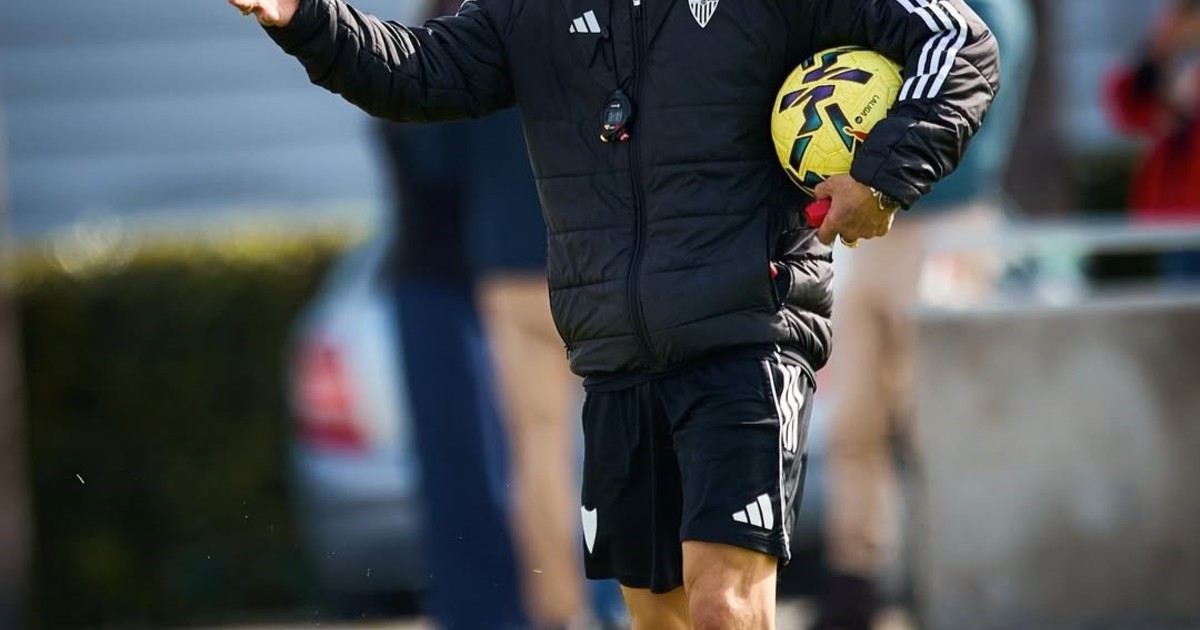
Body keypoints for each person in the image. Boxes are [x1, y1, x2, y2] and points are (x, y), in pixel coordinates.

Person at [229, 0, 1000, 626]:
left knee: (723, 601)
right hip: (616, 359)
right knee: (658, 614)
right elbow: (419, 72)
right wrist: (305, 16)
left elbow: (958, 42)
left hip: (747, 339)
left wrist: (883, 174)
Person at [810, 0, 1034, 627]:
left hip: (948, 222)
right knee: (857, 415)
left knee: (937, 419)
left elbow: (971, 87)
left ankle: (964, 579)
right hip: (881, 222)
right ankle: (855, 579)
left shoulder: (990, 12)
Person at [379, 115, 532, 629]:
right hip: (451, 283)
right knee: (469, 466)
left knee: (492, 464)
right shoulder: (436, 73)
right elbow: (437, 159)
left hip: (475, 281)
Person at [1107, 0, 1200, 281]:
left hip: (1184, 209)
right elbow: (1126, 105)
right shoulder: (1168, 60)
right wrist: (1163, 44)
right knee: (1181, 299)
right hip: (1179, 216)